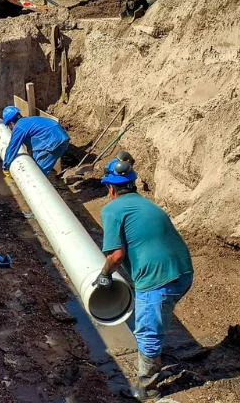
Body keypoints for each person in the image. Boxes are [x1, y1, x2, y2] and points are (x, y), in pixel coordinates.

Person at [94, 157, 193, 400]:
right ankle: (155, 357)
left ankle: (148, 390)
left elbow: (116, 255)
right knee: (155, 321)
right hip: (183, 271)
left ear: (111, 188)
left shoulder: (112, 209)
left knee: (147, 332)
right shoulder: (146, 204)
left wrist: (104, 274)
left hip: (158, 278)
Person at [0, 106, 69, 177]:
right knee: (37, 168)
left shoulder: (19, 127)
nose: (11, 129)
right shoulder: (28, 121)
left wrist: (5, 167)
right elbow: (37, 146)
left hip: (52, 143)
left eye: (10, 127)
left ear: (11, 123)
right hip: (59, 139)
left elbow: (12, 147)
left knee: (38, 176)